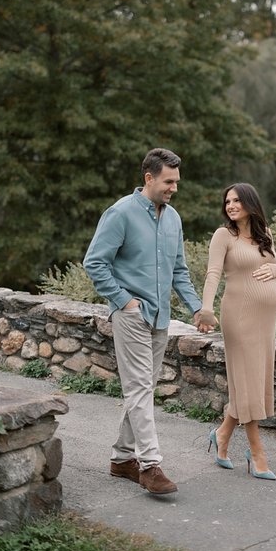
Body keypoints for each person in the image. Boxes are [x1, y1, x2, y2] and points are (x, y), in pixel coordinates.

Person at [84, 147, 208, 495]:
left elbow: (179, 271)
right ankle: (150, 465)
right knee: (139, 388)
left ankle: (123, 458)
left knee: (143, 389)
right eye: (169, 181)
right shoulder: (120, 213)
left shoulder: (173, 218)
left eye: (177, 182)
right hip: (131, 317)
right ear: (149, 178)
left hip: (160, 317)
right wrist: (123, 301)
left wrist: (196, 308)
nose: (174, 188)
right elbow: (94, 262)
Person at [198, 182, 276, 481]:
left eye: (236, 200)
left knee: (254, 379)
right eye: (227, 201)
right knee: (246, 380)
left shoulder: (264, 234)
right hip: (239, 317)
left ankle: (221, 436)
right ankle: (257, 452)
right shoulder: (224, 235)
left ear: (250, 203)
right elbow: (213, 273)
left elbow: (275, 263)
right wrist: (206, 308)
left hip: (265, 320)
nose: (231, 205)